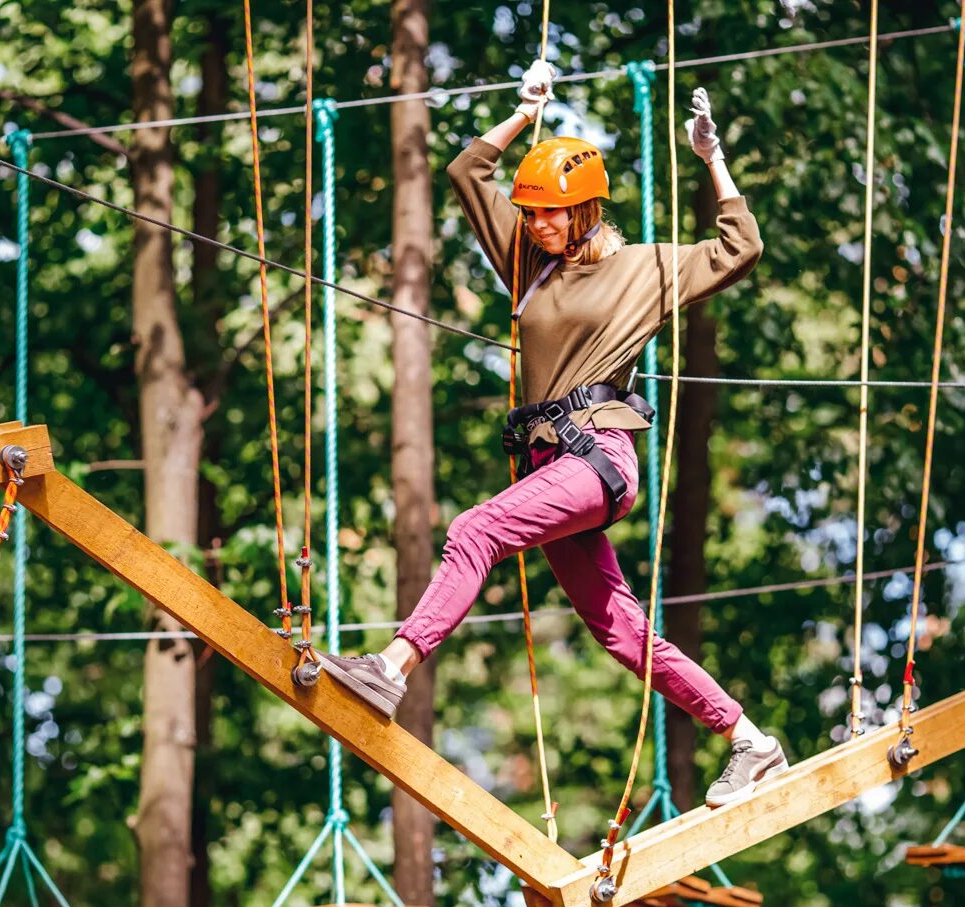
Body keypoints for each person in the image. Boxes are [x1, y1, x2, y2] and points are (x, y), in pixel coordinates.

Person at [314, 61, 785, 807]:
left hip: (598, 459)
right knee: (622, 632)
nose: (535, 224)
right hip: (549, 469)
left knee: (476, 529)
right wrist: (523, 112)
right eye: (529, 212)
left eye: (550, 214)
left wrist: (712, 160)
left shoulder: (643, 271)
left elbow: (739, 246)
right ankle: (752, 741)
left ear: (587, 212)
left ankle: (391, 669)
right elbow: (469, 170)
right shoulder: (527, 262)